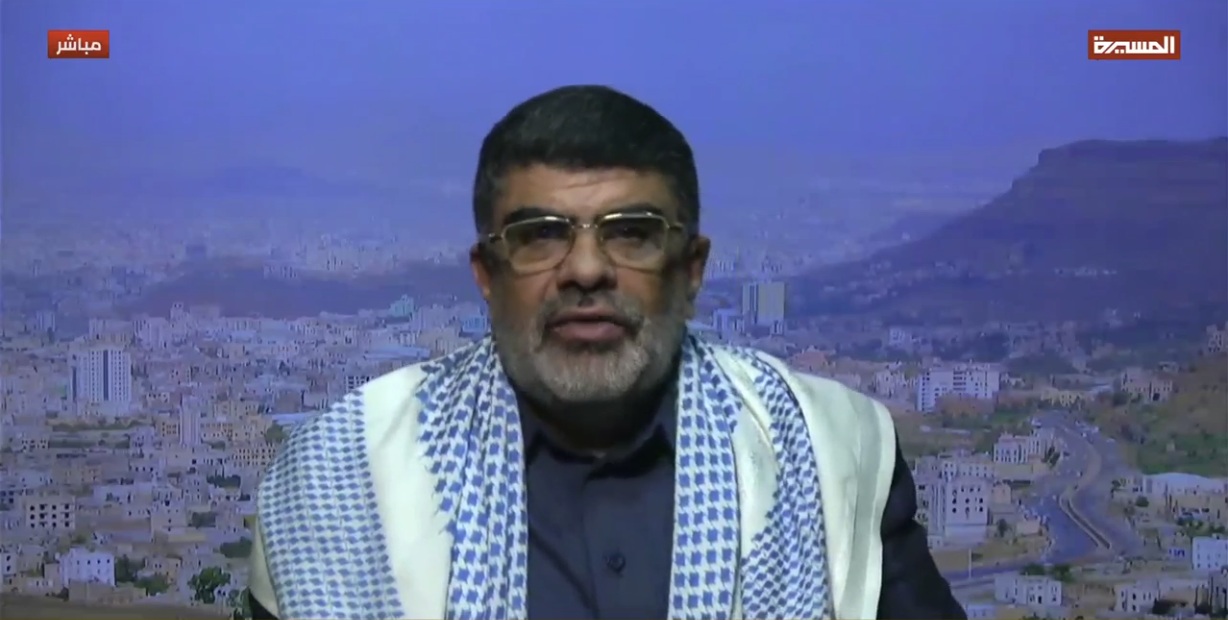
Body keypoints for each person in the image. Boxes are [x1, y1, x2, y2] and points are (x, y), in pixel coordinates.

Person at [248, 85, 966, 620]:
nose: (586, 270)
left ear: (691, 271)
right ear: (487, 275)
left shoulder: (828, 451)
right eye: (539, 235)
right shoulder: (344, 473)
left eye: (630, 233)